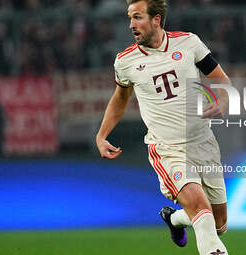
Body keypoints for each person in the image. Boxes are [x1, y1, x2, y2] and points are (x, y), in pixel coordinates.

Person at [96, 0, 230, 254]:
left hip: (203, 143)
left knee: (219, 223)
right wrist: (102, 135)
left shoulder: (189, 43)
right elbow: (120, 99)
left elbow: (220, 79)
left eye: (137, 18)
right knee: (201, 211)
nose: (131, 25)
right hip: (168, 149)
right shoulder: (126, 61)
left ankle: (174, 218)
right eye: (130, 18)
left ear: (156, 20)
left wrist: (221, 100)